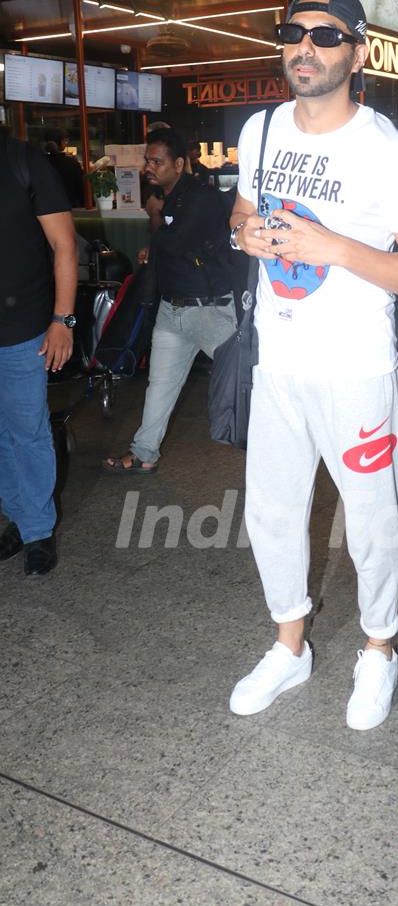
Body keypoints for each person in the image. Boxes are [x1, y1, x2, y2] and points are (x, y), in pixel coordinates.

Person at [228, 0, 398, 730]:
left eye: (326, 37)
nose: (305, 47)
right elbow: (245, 208)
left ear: (357, 54)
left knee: (372, 523)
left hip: (355, 370)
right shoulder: (259, 130)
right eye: (294, 32)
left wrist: (340, 249)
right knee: (271, 514)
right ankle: (290, 647)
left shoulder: (386, 152)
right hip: (277, 364)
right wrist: (245, 234)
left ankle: (379, 649)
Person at [102, 129, 235, 474]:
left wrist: (155, 218)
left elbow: (174, 242)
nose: (149, 167)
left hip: (209, 310)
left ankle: (289, 442)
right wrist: (156, 237)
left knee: (248, 378)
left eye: (156, 161)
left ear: (178, 164)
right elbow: (167, 246)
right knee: (160, 385)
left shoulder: (200, 198)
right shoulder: (170, 198)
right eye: (148, 160)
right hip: (172, 310)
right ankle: (145, 451)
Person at [0, 129, 78, 576]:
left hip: (24, 329)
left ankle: (37, 531)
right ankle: (18, 516)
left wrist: (62, 320)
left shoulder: (24, 162)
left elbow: (64, 246)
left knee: (26, 431)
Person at [43, 128, 85, 208]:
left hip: (46, 208)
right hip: (70, 207)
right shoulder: (71, 162)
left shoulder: (40, 162)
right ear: (62, 142)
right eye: (65, 141)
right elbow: (81, 189)